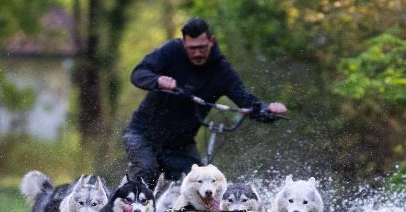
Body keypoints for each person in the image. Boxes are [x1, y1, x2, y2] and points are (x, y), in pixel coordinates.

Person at [123, 18, 287, 187]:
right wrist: (157, 80)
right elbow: (139, 73)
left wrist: (269, 110)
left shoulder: (221, 71)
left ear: (212, 41)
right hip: (142, 135)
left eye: (202, 47)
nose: (197, 53)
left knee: (198, 185)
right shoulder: (171, 51)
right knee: (147, 171)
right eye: (192, 49)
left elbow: (246, 100)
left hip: (181, 146)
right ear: (183, 43)